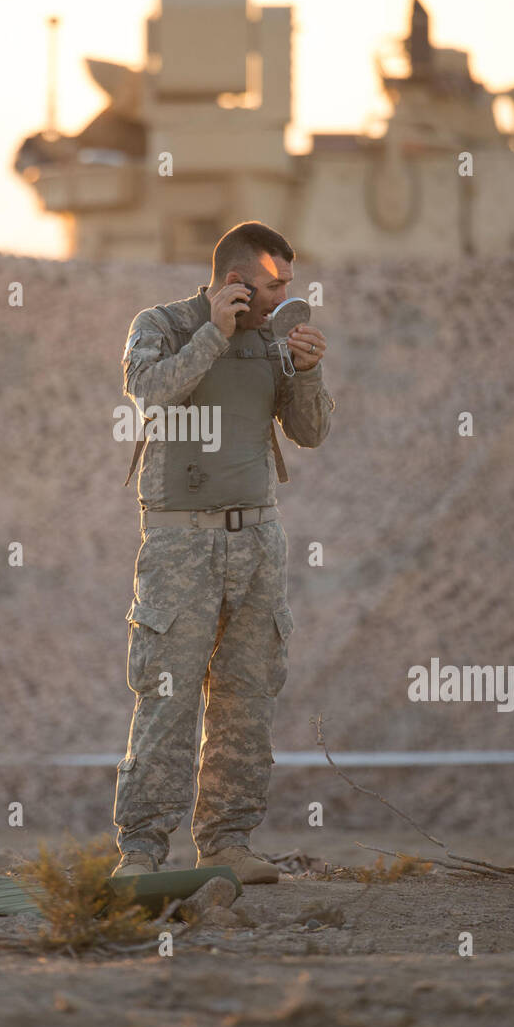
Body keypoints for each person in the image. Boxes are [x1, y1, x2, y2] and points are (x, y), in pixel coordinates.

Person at [112, 221, 335, 884]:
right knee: (167, 695)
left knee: (247, 697)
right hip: (181, 540)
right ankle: (142, 854)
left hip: (257, 540)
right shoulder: (163, 324)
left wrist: (308, 372)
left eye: (289, 285)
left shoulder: (274, 342)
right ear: (236, 281)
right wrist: (215, 333)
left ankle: (227, 844)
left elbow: (311, 432)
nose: (285, 297)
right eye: (275, 285)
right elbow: (150, 393)